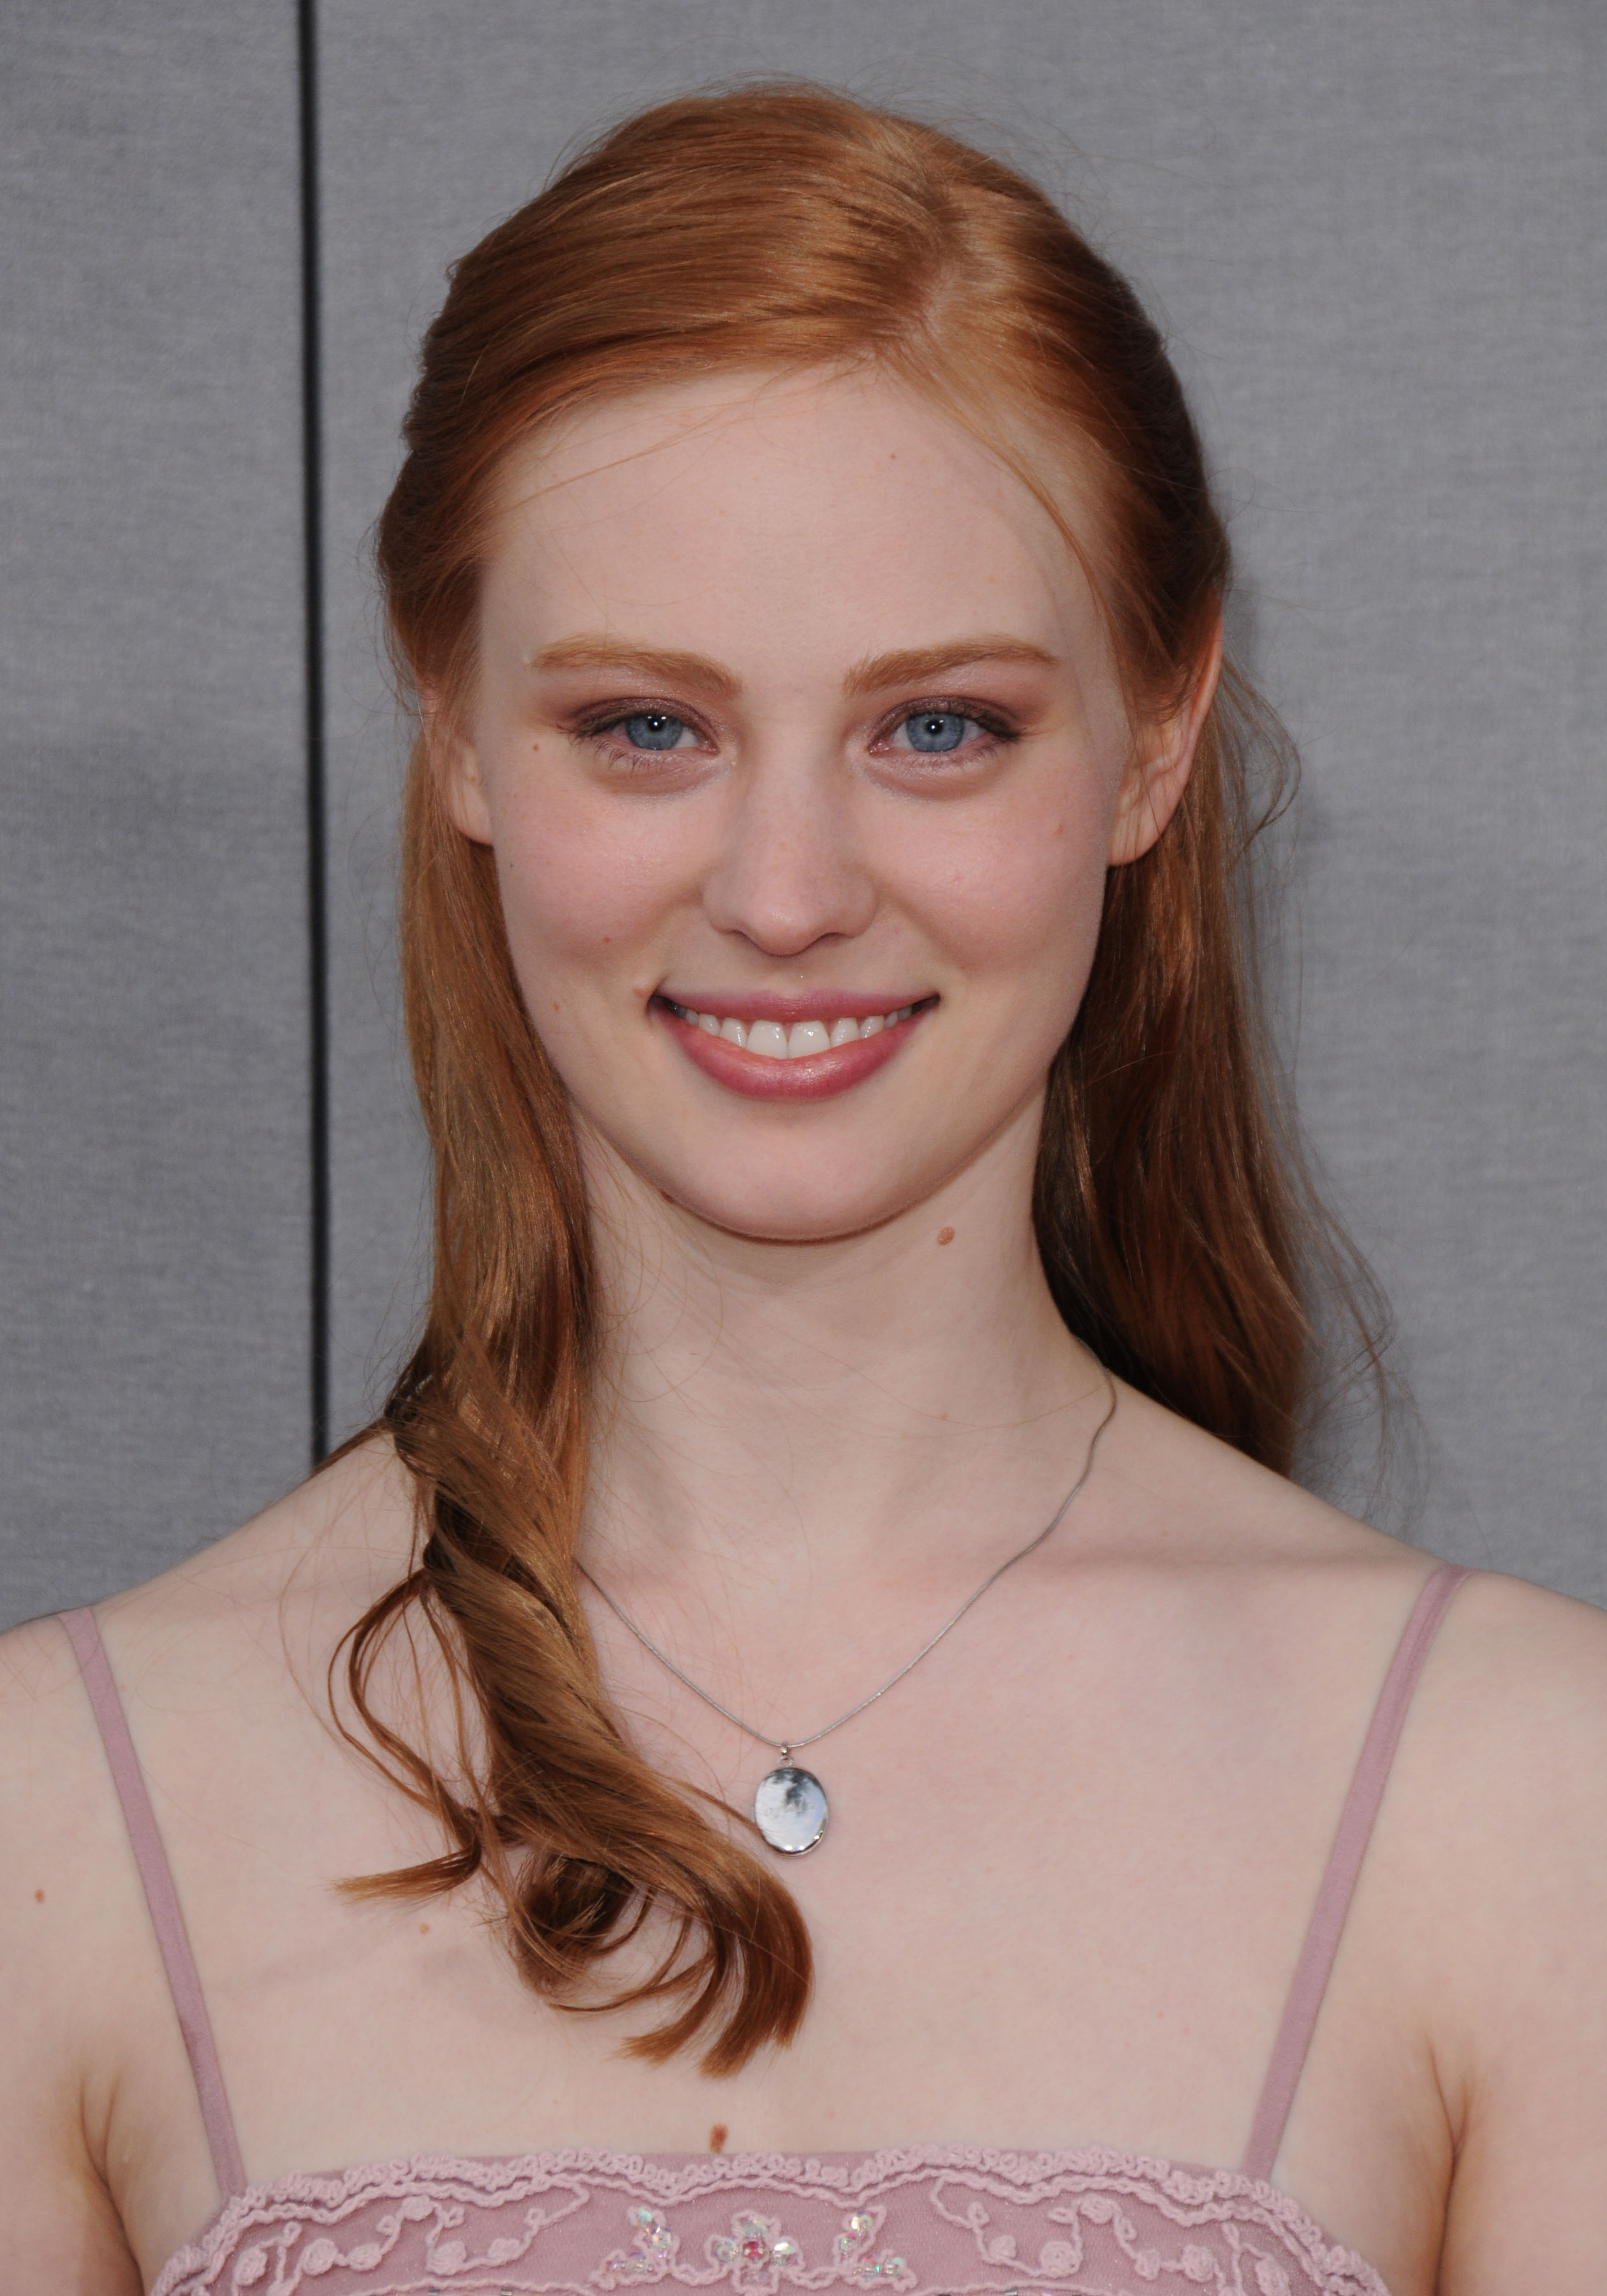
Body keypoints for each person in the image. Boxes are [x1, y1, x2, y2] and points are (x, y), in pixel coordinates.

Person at [3, 84, 1604, 2296]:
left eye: (938, 727)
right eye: (645, 728)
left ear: (1156, 737)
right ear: (452, 726)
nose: (783, 894)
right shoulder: (59, 1820)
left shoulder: (1520, 1800)